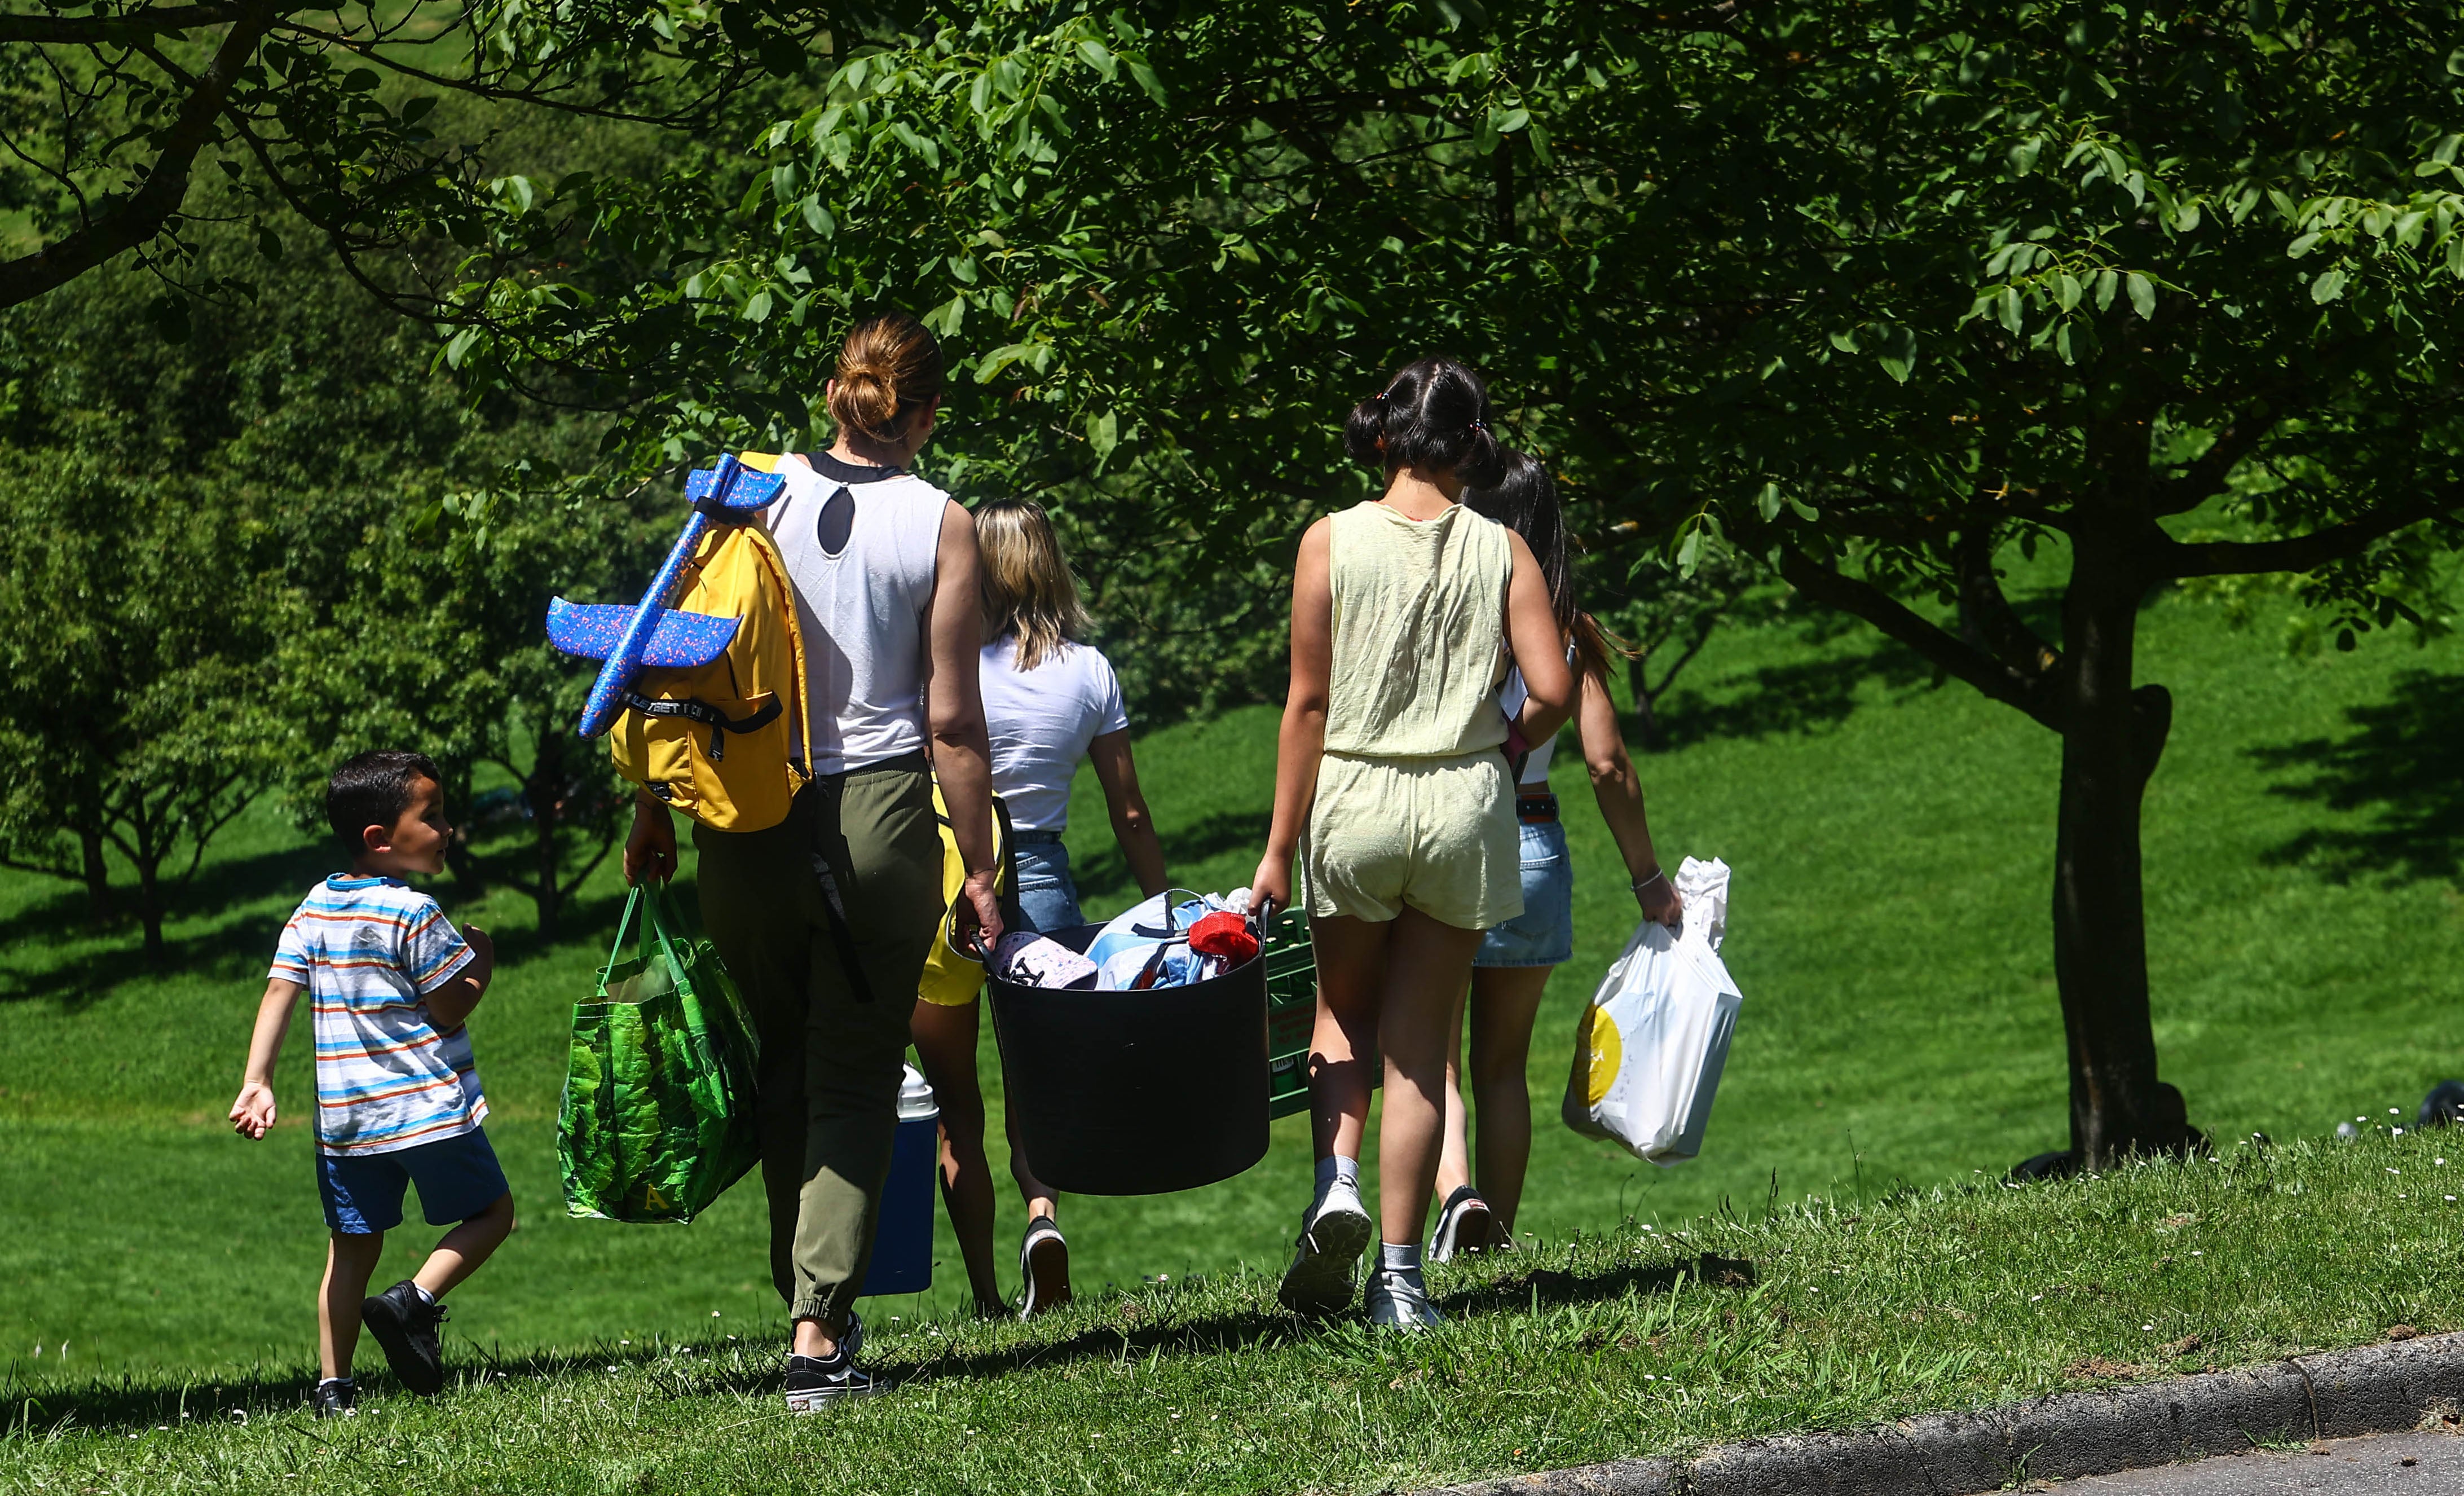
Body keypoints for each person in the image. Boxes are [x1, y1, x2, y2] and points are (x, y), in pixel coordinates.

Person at [625, 310, 1003, 1412]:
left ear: (834, 392)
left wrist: (648, 804)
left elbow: (669, 651)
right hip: (878, 819)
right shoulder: (943, 521)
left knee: (785, 1063)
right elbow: (953, 724)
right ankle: (815, 1330)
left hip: (741, 818)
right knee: (851, 1073)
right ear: (924, 415)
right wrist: (974, 869)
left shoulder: (745, 491)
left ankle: (811, 1306)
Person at [1250, 356, 1575, 1328]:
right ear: (1472, 443)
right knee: (1417, 1045)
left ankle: (1335, 1180)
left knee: (1340, 1016)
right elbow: (1551, 688)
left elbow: (1305, 703)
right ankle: (1399, 1278)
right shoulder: (1501, 550)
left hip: (1352, 795)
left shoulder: (1328, 542)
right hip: (1463, 803)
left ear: (1383, 436)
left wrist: (1275, 850)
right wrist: (1503, 742)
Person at [910, 496, 1169, 1318]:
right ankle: (1042, 1217)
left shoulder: (940, 667)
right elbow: (1128, 810)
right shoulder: (1088, 671)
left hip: (949, 883)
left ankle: (986, 1295)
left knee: (958, 1102)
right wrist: (1164, 905)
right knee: (1035, 1082)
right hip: (1043, 880)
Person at [1429, 451, 1685, 1261]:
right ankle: (1493, 1243)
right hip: (1532, 844)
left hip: (1441, 840)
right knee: (1502, 1066)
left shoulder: (1438, 609)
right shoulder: (1568, 629)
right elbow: (1607, 764)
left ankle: (1455, 1195)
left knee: (1430, 1060)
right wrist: (1649, 880)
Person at [230, 750, 515, 1419]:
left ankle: (335, 1388)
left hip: (348, 1122)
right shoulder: (414, 912)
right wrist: (484, 963)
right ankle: (413, 1299)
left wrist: (257, 1080)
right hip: (426, 1110)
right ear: (380, 840)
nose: (448, 829)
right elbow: (450, 1005)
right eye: (433, 816)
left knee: (351, 1250)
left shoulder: (315, 906)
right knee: (493, 1214)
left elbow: (279, 990)